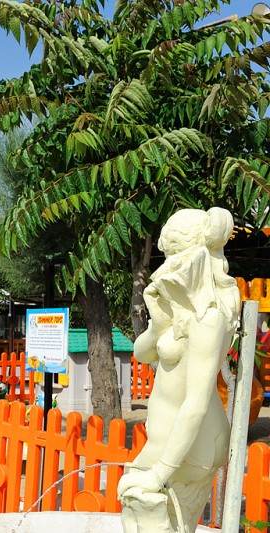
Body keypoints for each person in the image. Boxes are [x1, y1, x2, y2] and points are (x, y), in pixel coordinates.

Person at [117, 208, 240, 532]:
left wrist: (160, 472)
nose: (168, 267)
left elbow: (195, 403)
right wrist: (158, 322)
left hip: (194, 445)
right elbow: (142, 353)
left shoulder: (209, 318)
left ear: (197, 257)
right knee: (136, 505)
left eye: (174, 257)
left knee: (148, 509)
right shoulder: (182, 307)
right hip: (167, 441)